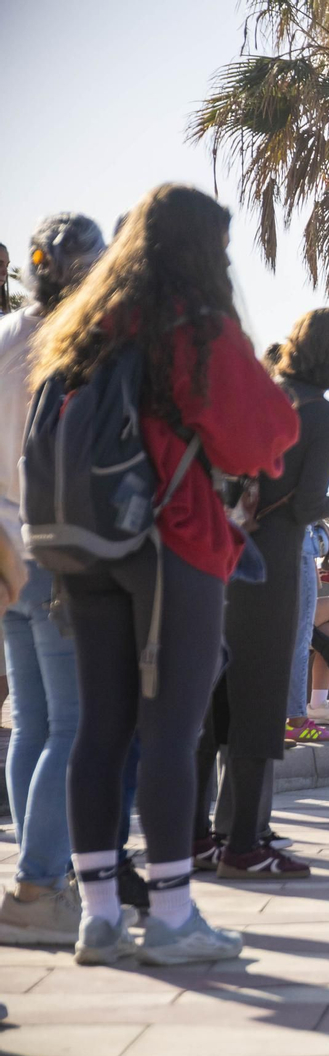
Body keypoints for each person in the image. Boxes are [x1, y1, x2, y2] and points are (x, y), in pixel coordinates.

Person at [30, 184, 300, 965]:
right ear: (197, 249)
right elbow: (262, 436)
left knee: (100, 728)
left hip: (84, 547)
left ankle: (100, 915)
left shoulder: (88, 327)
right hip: (172, 541)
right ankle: (175, 917)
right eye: (219, 246)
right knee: (172, 735)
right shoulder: (194, 325)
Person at [195, 309, 329, 881]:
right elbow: (302, 508)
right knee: (260, 701)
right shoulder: (322, 416)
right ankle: (244, 842)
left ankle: (196, 834)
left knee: (210, 701)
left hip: (212, 556)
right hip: (270, 564)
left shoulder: (256, 394)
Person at [0, 212, 105, 946]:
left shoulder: (6, 334)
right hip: (50, 544)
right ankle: (38, 885)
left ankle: (32, 879)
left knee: (30, 719)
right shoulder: (78, 345)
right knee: (71, 723)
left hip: (2, 545)